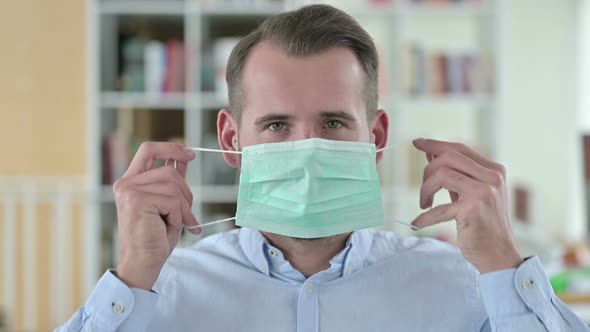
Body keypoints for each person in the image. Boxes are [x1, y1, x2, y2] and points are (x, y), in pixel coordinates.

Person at [57, 4, 589, 332]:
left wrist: (503, 266)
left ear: (375, 138)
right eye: (276, 126)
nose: (307, 151)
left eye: (333, 122)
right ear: (230, 140)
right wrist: (131, 277)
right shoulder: (153, 293)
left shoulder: (467, 286)